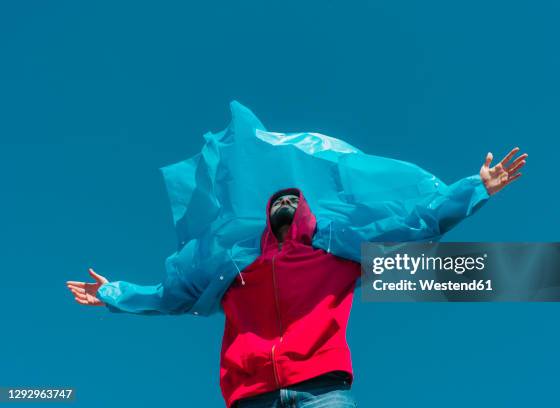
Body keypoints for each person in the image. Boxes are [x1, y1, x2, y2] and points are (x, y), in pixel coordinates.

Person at [66, 147, 527, 407]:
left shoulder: (337, 248)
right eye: (277, 202)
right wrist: (112, 293)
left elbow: (413, 224)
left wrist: (475, 189)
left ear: (304, 208)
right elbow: (171, 295)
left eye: (293, 199)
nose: (285, 205)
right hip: (252, 397)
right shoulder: (234, 263)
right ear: (265, 215)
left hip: (321, 391)